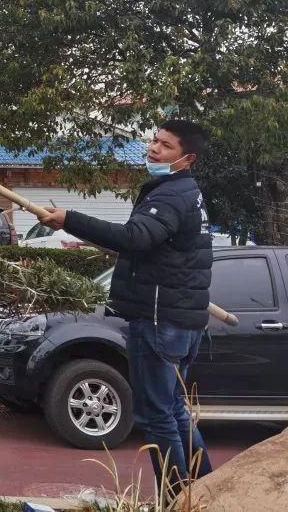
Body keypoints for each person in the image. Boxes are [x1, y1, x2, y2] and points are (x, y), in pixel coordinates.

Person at [43, 119, 213, 493]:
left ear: (187, 159)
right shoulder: (187, 192)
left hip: (160, 322)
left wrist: (70, 220)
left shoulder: (171, 195)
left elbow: (135, 237)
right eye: (154, 140)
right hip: (181, 320)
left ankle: (179, 497)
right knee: (172, 410)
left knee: (156, 416)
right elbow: (150, 246)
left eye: (165, 146)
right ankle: (206, 490)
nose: (153, 148)